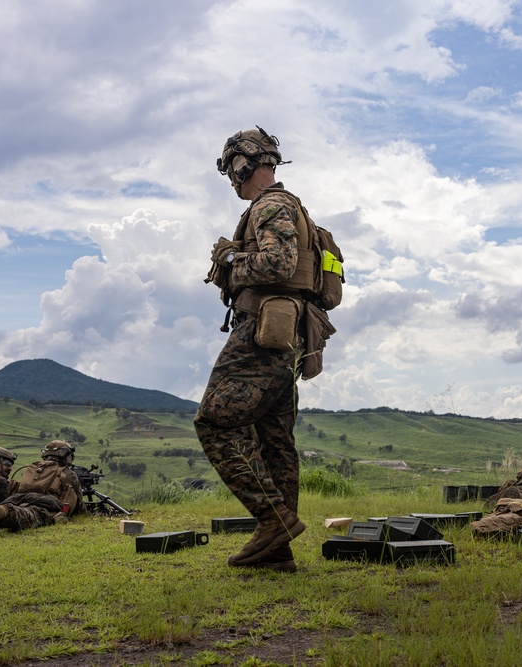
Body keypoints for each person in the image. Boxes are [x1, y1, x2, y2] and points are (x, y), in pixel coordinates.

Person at [195, 126, 324, 573]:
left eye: (231, 169)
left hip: (262, 335)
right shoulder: (292, 207)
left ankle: (273, 520)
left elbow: (278, 264)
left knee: (215, 422)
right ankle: (276, 551)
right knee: (274, 440)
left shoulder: (269, 205)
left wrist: (230, 260)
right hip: (288, 339)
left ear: (241, 165)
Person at [0, 440, 85, 538]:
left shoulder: (35, 467)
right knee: (27, 516)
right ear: (65, 456)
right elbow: (79, 506)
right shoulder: (69, 474)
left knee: (16, 510)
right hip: (45, 504)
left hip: (19, 499)